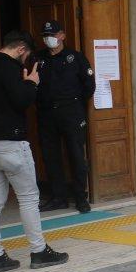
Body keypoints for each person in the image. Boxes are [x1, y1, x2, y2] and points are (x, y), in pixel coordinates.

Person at [0, 31, 69, 272]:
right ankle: (39, 251)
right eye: (27, 55)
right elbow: (21, 100)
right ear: (21, 49)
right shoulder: (10, 68)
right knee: (29, 197)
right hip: (12, 142)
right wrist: (32, 82)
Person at [33, 20, 95, 213]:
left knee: (76, 155)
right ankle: (58, 197)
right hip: (47, 113)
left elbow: (89, 85)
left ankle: (80, 198)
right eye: (45, 35)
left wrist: (75, 104)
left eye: (52, 35)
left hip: (71, 112)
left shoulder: (75, 57)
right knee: (51, 157)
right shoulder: (39, 59)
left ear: (62, 36)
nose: (48, 39)